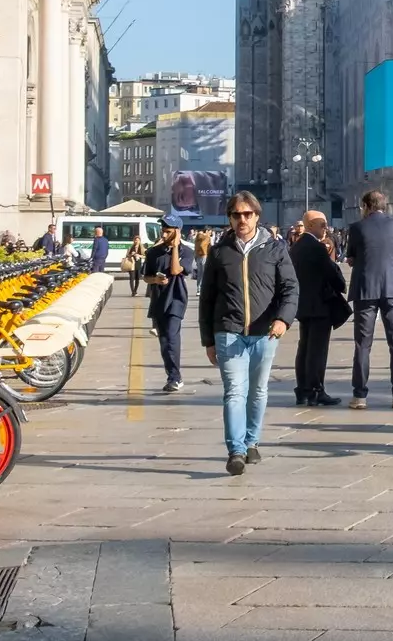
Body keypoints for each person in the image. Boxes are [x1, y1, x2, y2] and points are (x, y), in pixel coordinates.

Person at [198, 191, 298, 475]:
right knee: (234, 392)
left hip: (266, 333)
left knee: (258, 391)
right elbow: (207, 298)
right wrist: (208, 339)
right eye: (236, 215)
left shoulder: (275, 249)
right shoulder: (219, 252)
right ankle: (236, 450)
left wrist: (283, 320)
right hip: (228, 331)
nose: (242, 219)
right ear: (229, 218)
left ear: (257, 215)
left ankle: (252, 440)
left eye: (247, 214)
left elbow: (290, 288)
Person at [346, 190, 393, 411]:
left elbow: (351, 258)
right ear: (385, 205)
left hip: (366, 290)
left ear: (366, 205)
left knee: (363, 345)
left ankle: (359, 396)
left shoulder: (356, 227)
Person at [289, 211, 345, 408]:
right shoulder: (316, 247)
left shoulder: (296, 247)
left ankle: (302, 391)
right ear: (311, 225)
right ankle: (316, 390)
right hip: (320, 305)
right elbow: (332, 274)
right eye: (322, 224)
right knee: (317, 351)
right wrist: (341, 284)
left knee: (304, 348)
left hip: (303, 305)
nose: (326, 228)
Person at [143, 218, 196, 394]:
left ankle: (175, 378)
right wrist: (155, 280)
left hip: (176, 298)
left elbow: (175, 270)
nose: (164, 234)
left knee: (172, 337)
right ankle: (173, 375)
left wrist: (174, 247)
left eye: (168, 231)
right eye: (163, 230)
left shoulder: (186, 252)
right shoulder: (153, 253)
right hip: (159, 299)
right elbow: (146, 276)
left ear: (177, 231)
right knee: (164, 341)